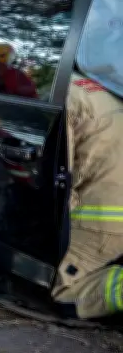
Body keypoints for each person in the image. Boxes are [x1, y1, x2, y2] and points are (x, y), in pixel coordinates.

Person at [51, 72, 123, 319]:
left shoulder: (64, 97)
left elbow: (58, 185)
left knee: (60, 288)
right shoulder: (109, 88)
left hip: (108, 222)